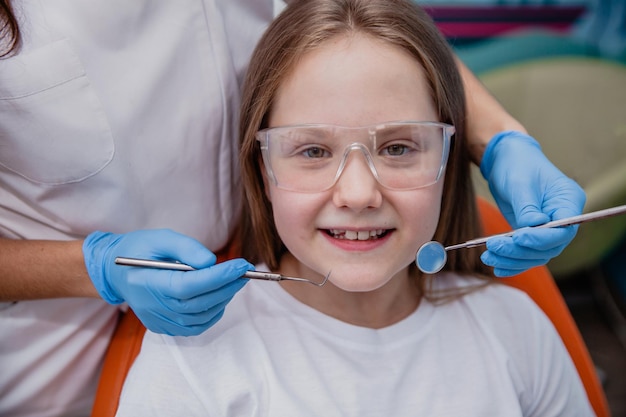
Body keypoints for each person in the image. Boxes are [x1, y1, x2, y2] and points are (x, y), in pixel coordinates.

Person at [0, 1, 585, 416]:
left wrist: (500, 135)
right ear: (260, 164)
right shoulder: (193, 370)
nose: (358, 194)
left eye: (401, 147)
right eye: (311, 149)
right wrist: (97, 266)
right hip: (43, 366)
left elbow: (368, 27)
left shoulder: (517, 333)